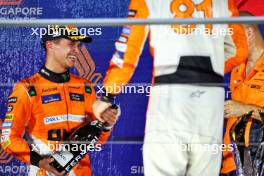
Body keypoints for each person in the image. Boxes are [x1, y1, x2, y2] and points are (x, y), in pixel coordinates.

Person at [92, 0, 248, 175]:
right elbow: (239, 50)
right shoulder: (224, 2)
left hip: (171, 95)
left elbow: (127, 50)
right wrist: (208, 66)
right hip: (210, 101)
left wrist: (107, 95)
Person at [0, 25, 119, 176]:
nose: (77, 50)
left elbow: (95, 140)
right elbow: (8, 138)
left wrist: (106, 125)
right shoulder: (27, 89)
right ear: (50, 45)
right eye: (71, 44)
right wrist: (40, 161)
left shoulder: (85, 87)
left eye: (78, 45)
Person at [222, 11, 264, 175]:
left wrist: (244, 109)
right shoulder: (237, 67)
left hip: (257, 165)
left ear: (249, 33)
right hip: (230, 164)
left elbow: (241, 109)